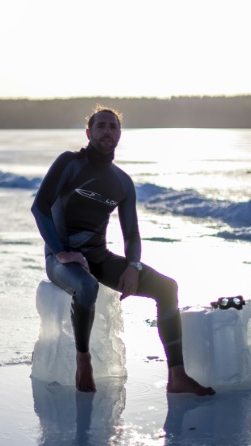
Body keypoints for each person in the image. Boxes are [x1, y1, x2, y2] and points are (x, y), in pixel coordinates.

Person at [31, 106, 215, 395]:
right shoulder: (69, 163)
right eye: (101, 125)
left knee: (167, 288)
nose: (107, 131)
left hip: (99, 257)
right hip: (62, 258)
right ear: (89, 132)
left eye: (113, 126)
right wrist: (60, 252)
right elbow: (39, 207)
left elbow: (131, 234)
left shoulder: (122, 182)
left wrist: (133, 266)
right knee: (87, 287)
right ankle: (84, 360)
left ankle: (177, 376)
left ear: (119, 134)